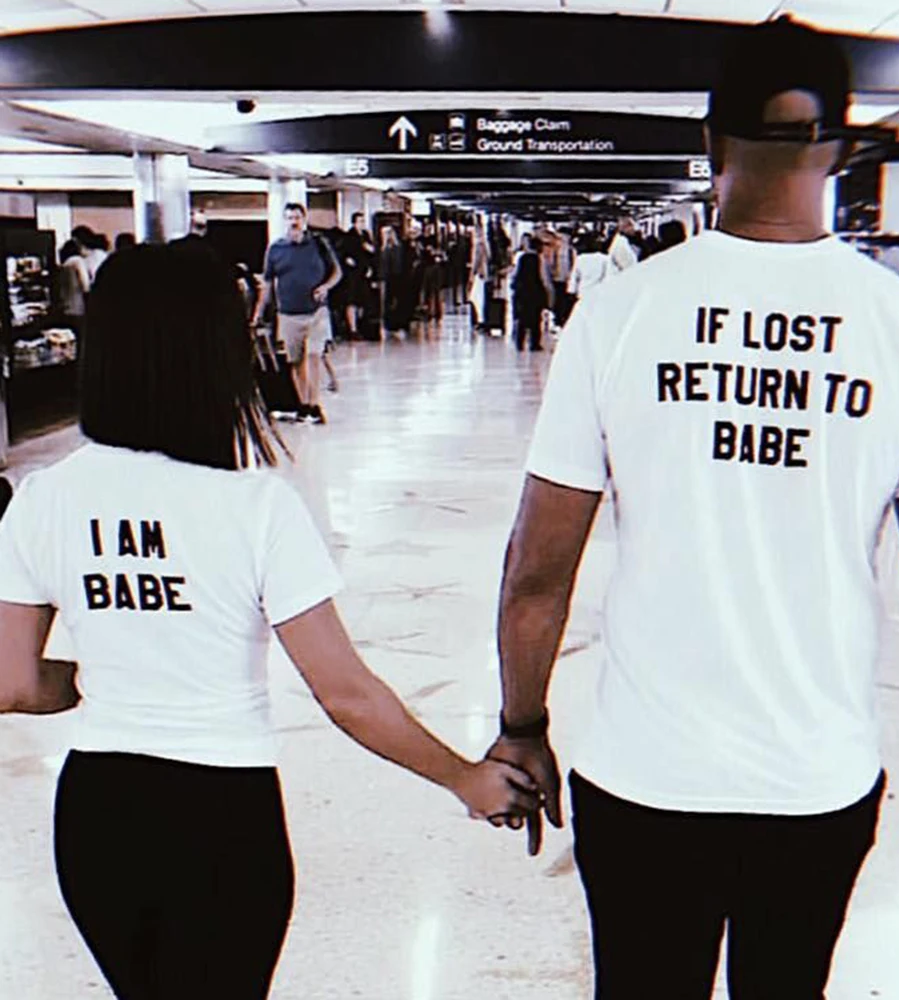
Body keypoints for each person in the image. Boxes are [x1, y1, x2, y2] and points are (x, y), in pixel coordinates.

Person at [486, 17, 899, 999]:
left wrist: (522, 724)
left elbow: (536, 569)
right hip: (814, 778)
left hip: (643, 776)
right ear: (840, 149)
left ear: (710, 141)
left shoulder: (619, 313)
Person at [0, 241, 538, 1000]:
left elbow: (14, 683)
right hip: (220, 818)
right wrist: (463, 778)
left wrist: (101, 675)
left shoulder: (43, 498)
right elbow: (345, 693)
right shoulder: (255, 507)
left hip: (98, 814)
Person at [251, 203, 341, 425]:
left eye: (297, 217)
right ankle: (303, 405)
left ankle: (314, 404)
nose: (294, 222)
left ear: (304, 219)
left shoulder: (318, 244)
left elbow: (337, 272)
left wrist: (326, 287)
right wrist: (258, 313)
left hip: (317, 312)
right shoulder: (276, 250)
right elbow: (268, 283)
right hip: (289, 314)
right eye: (290, 218)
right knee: (296, 361)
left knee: (313, 357)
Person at [511, 235, 551, 353]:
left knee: (522, 318)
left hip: (522, 292)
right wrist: (548, 292)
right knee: (536, 319)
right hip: (535, 293)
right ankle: (534, 344)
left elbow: (515, 274)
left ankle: (520, 342)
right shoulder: (540, 260)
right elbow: (544, 278)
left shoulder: (521, 258)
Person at [340, 212, 376, 339]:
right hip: (353, 273)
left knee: (364, 300)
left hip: (364, 272)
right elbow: (343, 253)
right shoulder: (348, 236)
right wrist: (347, 259)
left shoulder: (366, 235)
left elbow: (373, 252)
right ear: (354, 223)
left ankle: (362, 326)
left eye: (363, 221)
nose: (362, 224)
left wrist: (370, 266)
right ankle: (353, 329)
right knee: (352, 300)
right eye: (360, 221)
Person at [56, 239, 89, 344]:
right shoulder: (78, 261)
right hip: (78, 307)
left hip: (66, 306)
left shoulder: (65, 264)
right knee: (81, 339)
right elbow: (85, 285)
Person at [567, 231, 609, 306]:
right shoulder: (605, 259)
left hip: (583, 293)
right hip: (599, 294)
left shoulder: (580, 259)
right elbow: (608, 276)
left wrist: (571, 291)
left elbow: (574, 277)